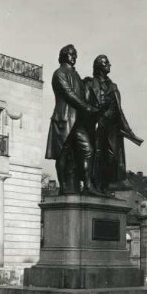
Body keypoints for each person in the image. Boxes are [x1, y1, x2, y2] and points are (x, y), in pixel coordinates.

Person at [45, 45, 101, 194]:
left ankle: (88, 186)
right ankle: (63, 187)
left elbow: (81, 92)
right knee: (62, 154)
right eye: (71, 54)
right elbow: (69, 94)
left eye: (75, 54)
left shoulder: (75, 75)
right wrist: (87, 107)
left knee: (88, 151)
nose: (74, 57)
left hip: (78, 121)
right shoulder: (59, 73)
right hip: (64, 120)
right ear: (64, 56)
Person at [84, 55, 143, 193]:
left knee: (112, 158)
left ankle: (105, 187)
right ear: (99, 66)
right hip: (96, 125)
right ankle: (94, 186)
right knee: (96, 156)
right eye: (106, 63)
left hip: (112, 129)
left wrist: (129, 131)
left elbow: (119, 111)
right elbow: (85, 105)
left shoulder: (113, 86)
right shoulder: (89, 84)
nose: (109, 65)